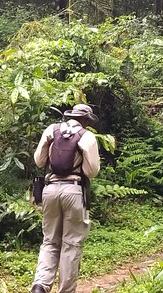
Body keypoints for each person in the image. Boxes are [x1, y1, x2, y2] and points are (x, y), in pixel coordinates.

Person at [30, 103, 100, 293]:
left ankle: (40, 285)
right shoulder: (87, 136)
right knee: (71, 244)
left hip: (50, 190)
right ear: (85, 119)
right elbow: (91, 171)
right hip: (73, 191)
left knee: (50, 241)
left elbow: (39, 161)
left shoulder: (51, 130)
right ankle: (65, 290)